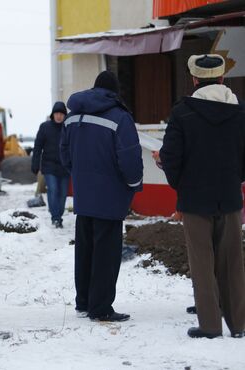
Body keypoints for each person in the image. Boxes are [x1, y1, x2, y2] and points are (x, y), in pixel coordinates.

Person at [160, 54, 245, 339]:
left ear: (195, 80)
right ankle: (239, 324)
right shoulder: (240, 111)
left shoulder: (182, 112)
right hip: (230, 197)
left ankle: (209, 325)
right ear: (222, 79)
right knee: (233, 262)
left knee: (202, 263)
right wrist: (235, 179)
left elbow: (171, 156)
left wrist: (180, 185)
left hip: (195, 200)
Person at [61, 71, 143, 322]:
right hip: (110, 197)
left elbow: (64, 155)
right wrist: (134, 183)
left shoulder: (72, 117)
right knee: (106, 254)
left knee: (84, 250)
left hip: (84, 196)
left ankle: (84, 301)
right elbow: (129, 157)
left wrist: (80, 177)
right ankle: (101, 307)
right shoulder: (120, 117)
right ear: (115, 92)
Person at [31, 102, 70, 228]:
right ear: (53, 115)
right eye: (56, 114)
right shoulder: (45, 127)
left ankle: (59, 214)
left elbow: (76, 147)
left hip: (65, 166)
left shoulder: (68, 128)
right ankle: (56, 217)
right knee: (53, 190)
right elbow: (37, 147)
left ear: (65, 115)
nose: (59, 116)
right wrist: (35, 164)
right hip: (49, 165)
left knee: (63, 193)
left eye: (61, 114)